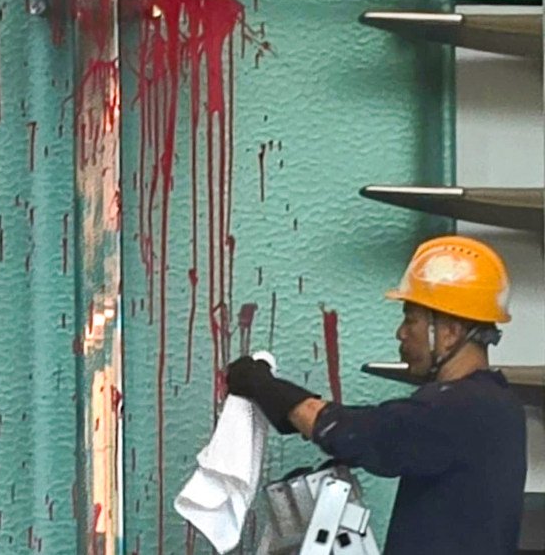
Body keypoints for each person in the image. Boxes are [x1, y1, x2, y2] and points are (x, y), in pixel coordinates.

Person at [224, 234, 525, 555]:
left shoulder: (459, 408)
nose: (401, 332)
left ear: (450, 332)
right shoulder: (498, 405)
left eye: (411, 319)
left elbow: (360, 433)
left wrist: (263, 386)